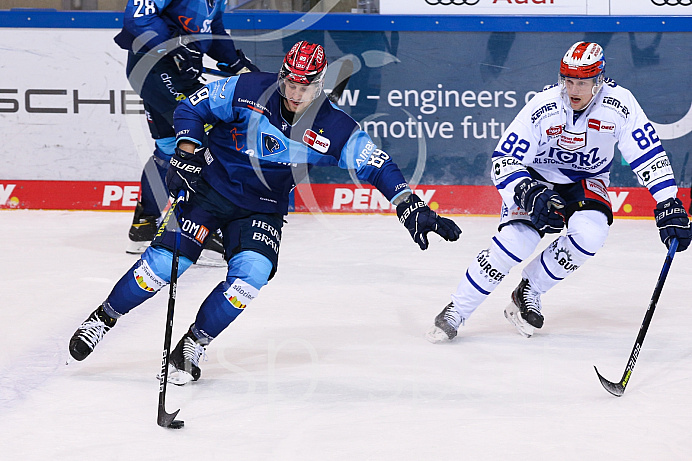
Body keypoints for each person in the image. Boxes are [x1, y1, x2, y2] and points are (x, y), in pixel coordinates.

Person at [69, 41, 461, 384]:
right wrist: (186, 153)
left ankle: (192, 346)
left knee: (250, 277)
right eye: (290, 83)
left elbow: (377, 164)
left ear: (318, 84)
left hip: (262, 209)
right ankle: (103, 319)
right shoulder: (249, 89)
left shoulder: (334, 126)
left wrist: (409, 203)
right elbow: (192, 107)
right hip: (207, 190)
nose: (294, 93)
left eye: (303, 86)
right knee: (162, 267)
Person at [427, 41, 692, 343]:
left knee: (591, 233)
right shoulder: (544, 105)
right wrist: (527, 191)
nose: (573, 90)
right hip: (536, 178)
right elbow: (503, 160)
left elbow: (649, 156)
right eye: (568, 80)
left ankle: (530, 289)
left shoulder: (621, 105)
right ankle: (457, 310)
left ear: (599, 81)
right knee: (517, 242)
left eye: (582, 82)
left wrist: (668, 200)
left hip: (586, 180)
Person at [114, 0, 259, 261]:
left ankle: (144, 224)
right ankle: (197, 228)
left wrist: (236, 63)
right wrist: (174, 44)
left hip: (176, 72)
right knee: (208, 136)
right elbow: (137, 17)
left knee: (169, 147)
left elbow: (211, 30)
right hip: (153, 68)